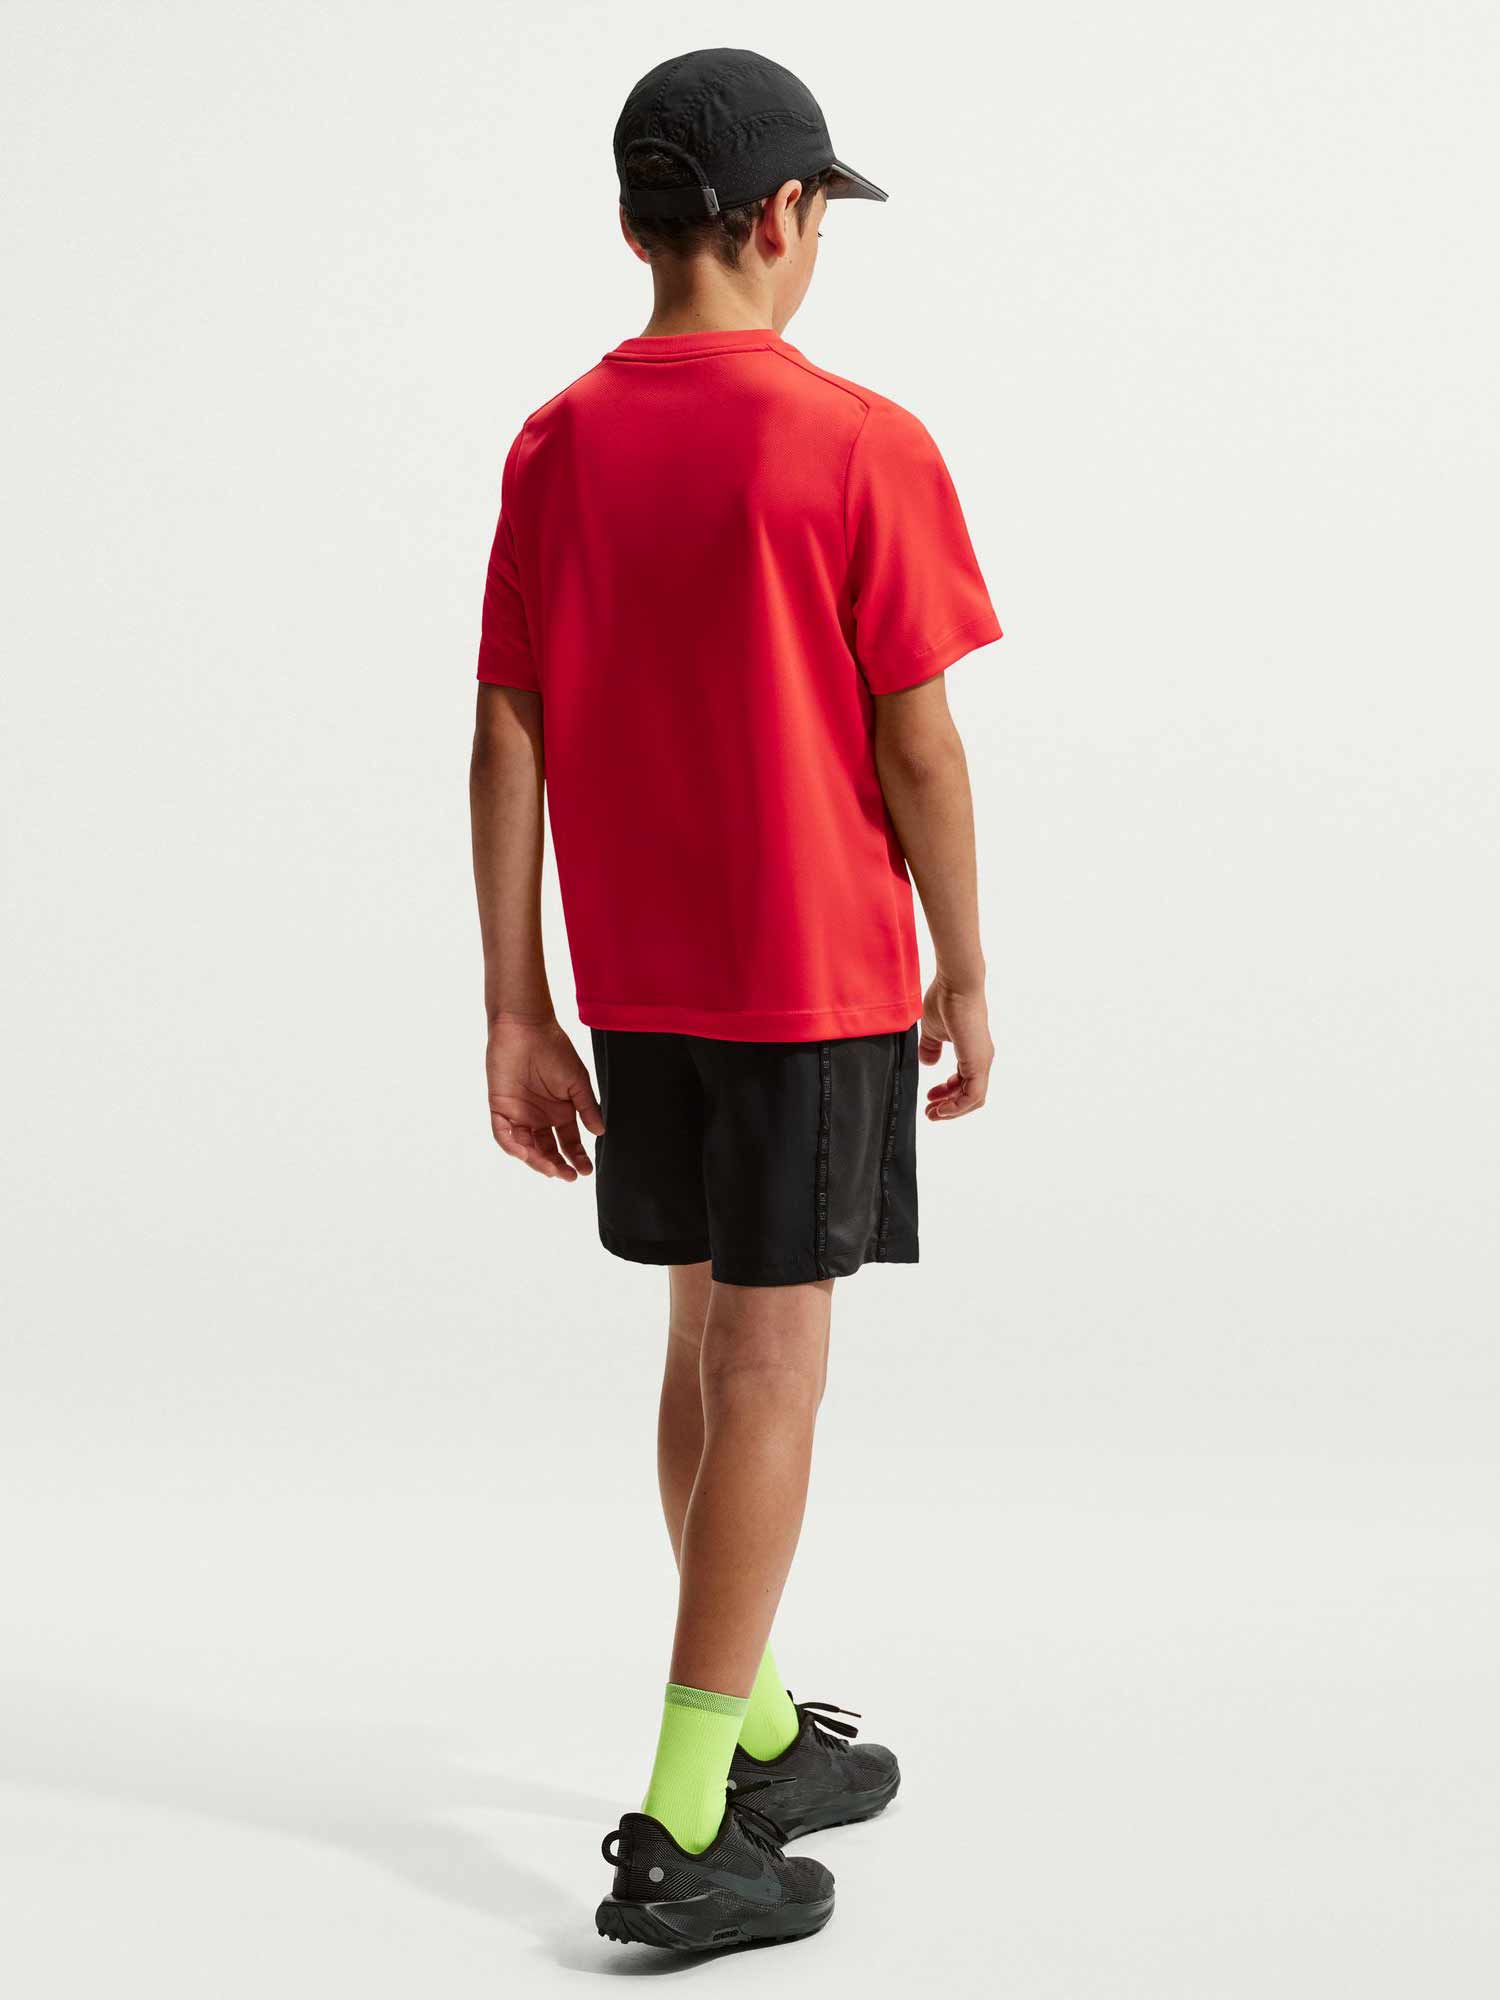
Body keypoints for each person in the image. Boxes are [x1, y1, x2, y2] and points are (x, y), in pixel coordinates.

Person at [469, 47, 1001, 1953]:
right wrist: (967, 960)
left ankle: (759, 1725)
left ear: (637, 226)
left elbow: (509, 724)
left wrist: (517, 1004)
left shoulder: (555, 441)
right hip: (807, 983)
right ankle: (690, 1825)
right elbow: (919, 743)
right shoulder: (856, 440)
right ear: (782, 216)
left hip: (640, 986)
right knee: (773, 1373)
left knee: (704, 1354)